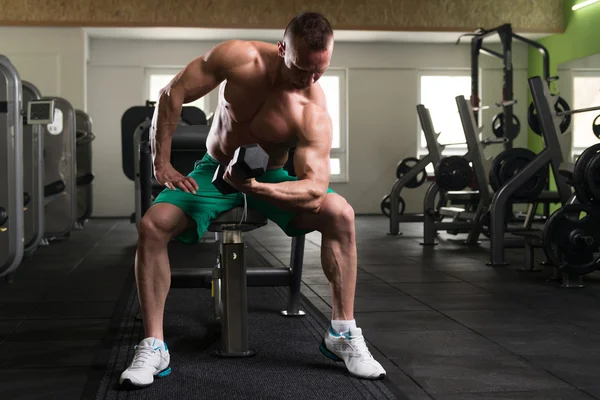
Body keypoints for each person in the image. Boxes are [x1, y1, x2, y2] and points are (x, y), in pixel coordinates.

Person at [119, 12, 386, 389]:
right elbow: (172, 93)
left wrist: (260, 189)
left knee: (340, 213)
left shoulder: (312, 109)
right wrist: (161, 163)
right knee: (152, 225)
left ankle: (342, 333)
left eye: (320, 72)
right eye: (301, 69)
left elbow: (313, 186)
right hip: (212, 170)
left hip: (269, 178)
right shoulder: (238, 58)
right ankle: (154, 344)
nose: (309, 80)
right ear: (282, 49)